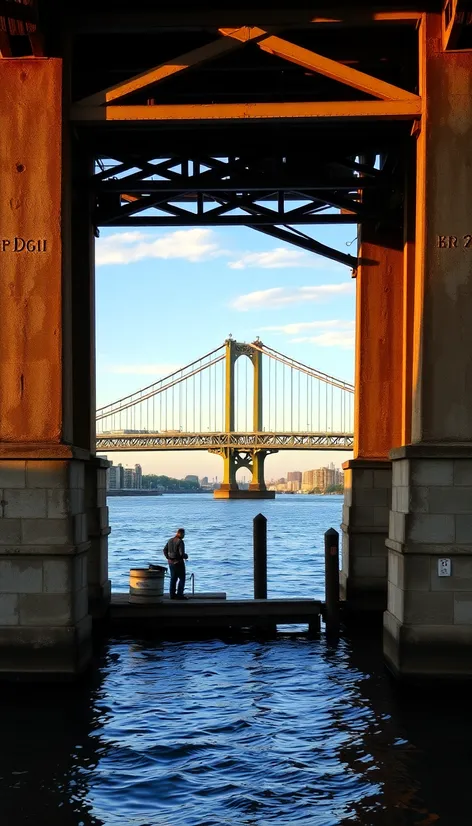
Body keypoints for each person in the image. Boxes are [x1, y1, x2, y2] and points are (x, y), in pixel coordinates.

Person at [163, 528, 188, 600]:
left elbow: (164, 550)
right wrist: (186, 556)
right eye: (184, 534)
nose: (184, 536)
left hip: (171, 563)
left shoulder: (170, 540)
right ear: (180, 533)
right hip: (179, 562)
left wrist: (168, 558)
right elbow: (181, 554)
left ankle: (172, 595)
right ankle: (180, 594)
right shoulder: (180, 542)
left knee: (173, 578)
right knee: (182, 578)